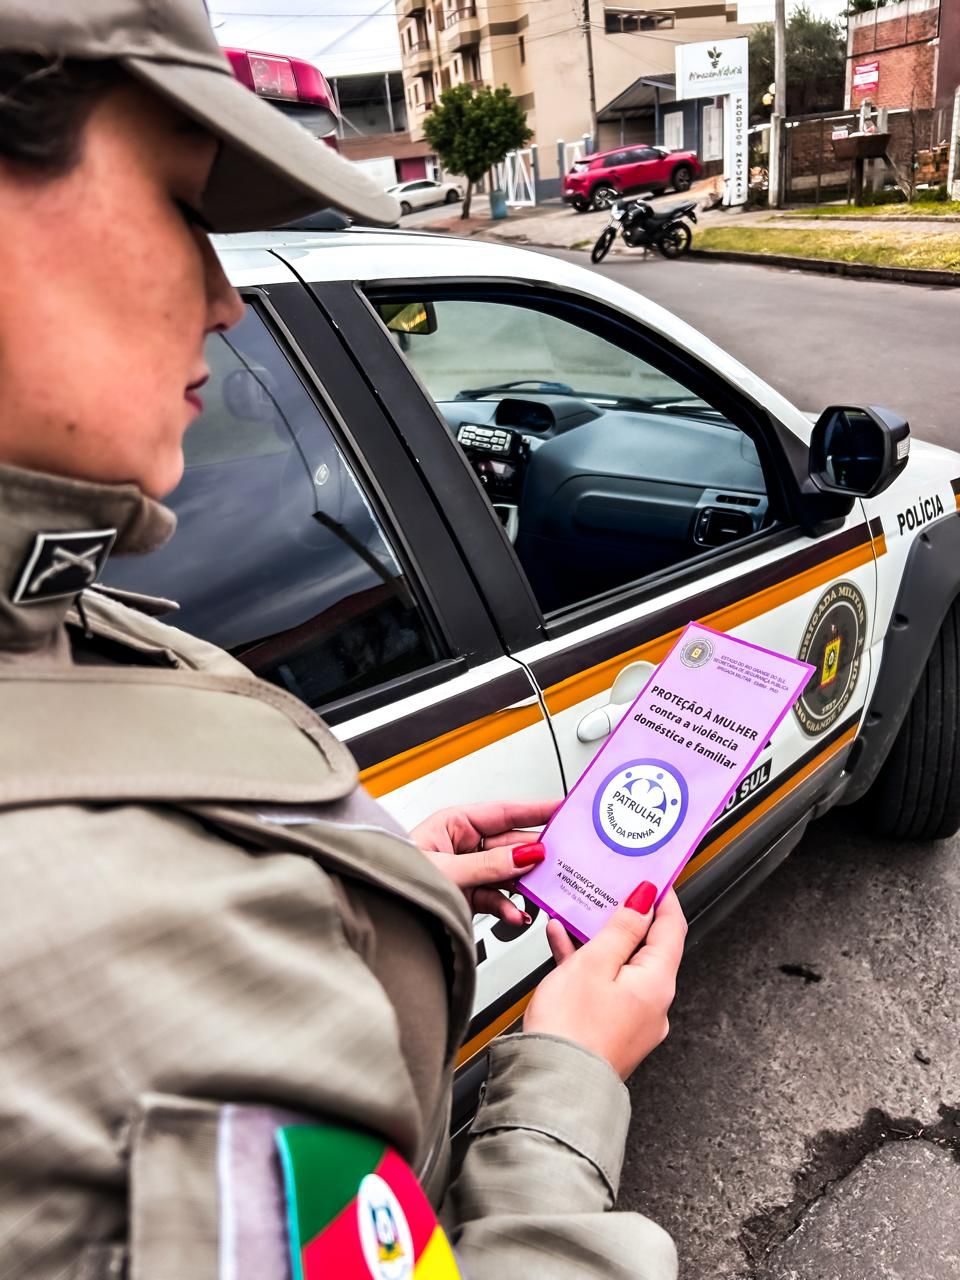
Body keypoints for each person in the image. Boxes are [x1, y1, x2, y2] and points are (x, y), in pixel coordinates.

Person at [0, 4, 687, 1278]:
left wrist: (353, 885)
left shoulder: (48, 607)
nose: (224, 299)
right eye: (183, 205)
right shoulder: (73, 967)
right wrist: (565, 1088)